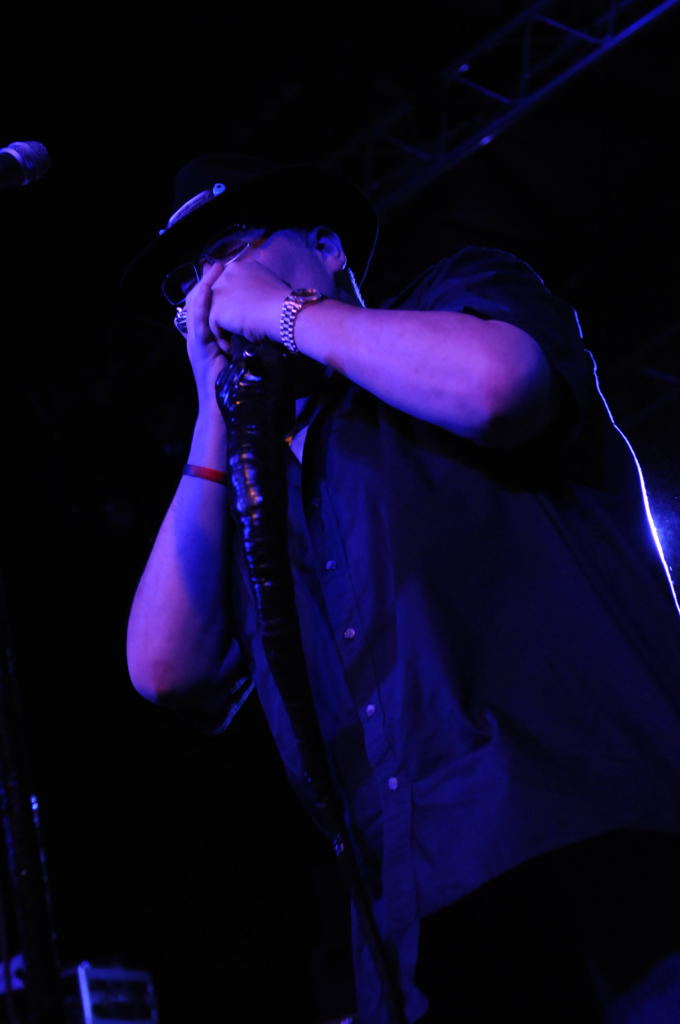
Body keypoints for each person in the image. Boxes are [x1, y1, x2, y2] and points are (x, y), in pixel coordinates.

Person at [124, 155, 680, 1023]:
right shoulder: (256, 488)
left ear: (326, 246)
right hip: (419, 935)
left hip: (604, 851)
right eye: (188, 282)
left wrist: (281, 313)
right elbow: (166, 668)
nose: (210, 291)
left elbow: (497, 388)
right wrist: (212, 411)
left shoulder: (459, 296)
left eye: (229, 251)